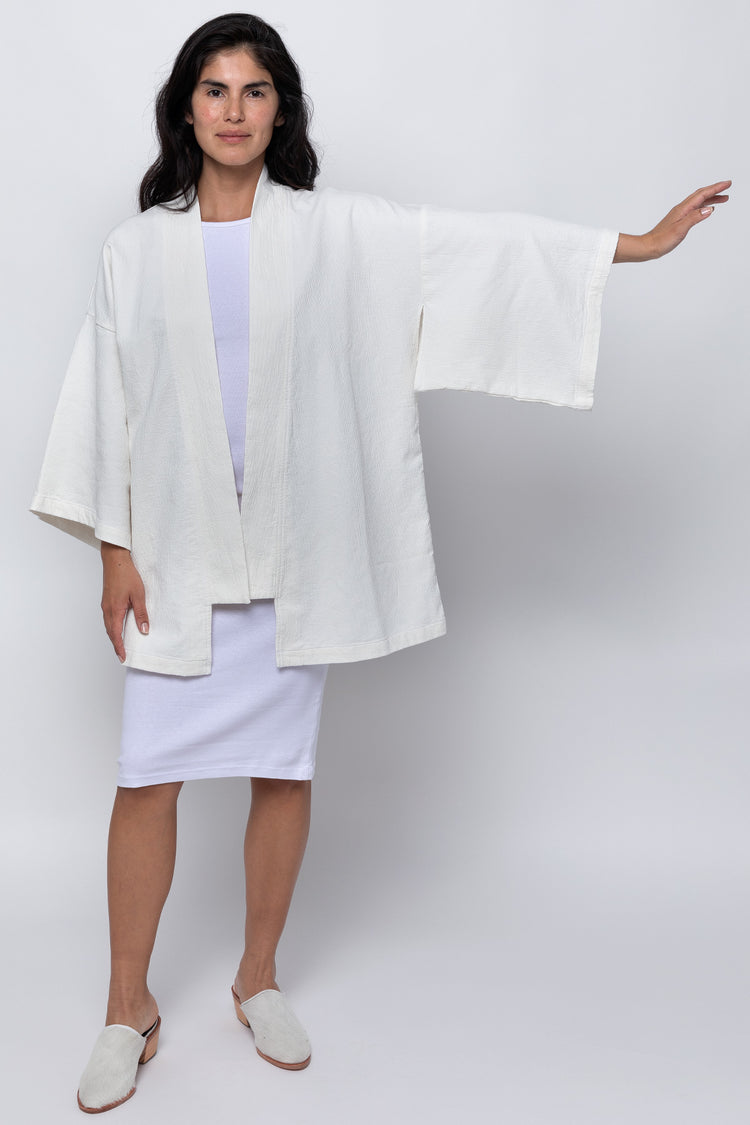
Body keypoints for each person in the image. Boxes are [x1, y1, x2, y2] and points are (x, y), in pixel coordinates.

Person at [29, 11, 730, 1115]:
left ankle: (258, 977)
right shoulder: (136, 250)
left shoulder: (335, 233)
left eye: (255, 90)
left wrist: (628, 247)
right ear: (184, 110)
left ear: (280, 111)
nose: (233, 110)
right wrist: (114, 549)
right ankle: (129, 1006)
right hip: (176, 555)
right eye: (213, 90)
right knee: (147, 775)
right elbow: (108, 404)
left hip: (291, 550)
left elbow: (469, 248)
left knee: (281, 766)